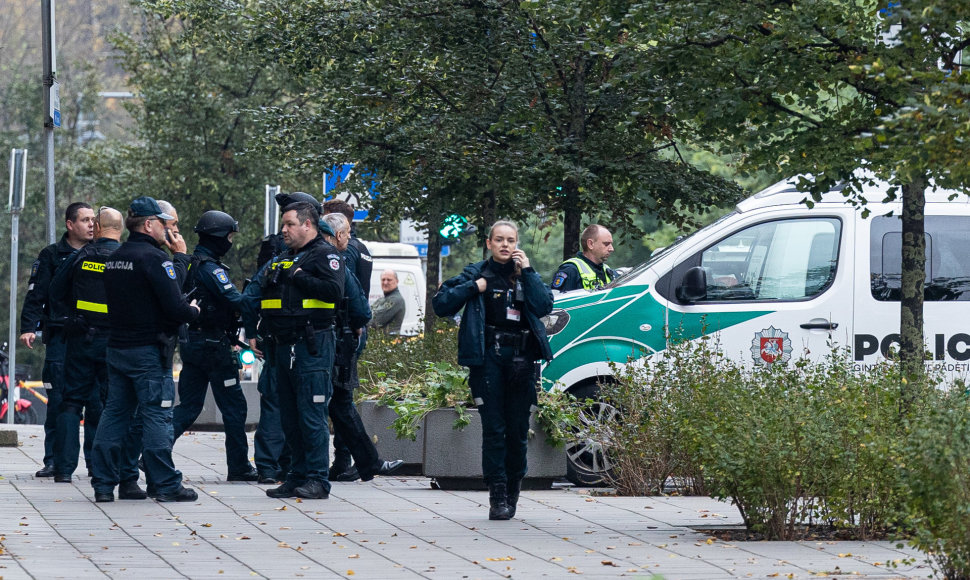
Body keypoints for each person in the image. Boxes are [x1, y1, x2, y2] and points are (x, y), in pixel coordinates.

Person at [431, 220, 554, 520]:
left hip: (522, 361)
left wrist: (528, 270)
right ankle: (497, 494)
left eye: (510, 240)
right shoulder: (477, 273)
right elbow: (441, 304)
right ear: (488, 243)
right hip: (488, 361)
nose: (505, 245)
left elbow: (544, 306)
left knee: (517, 431)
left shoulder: (523, 275)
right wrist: (475, 288)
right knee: (494, 430)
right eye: (499, 240)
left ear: (517, 244)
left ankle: (513, 489)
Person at [89, 197, 201, 503]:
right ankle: (165, 484)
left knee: (114, 415)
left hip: (118, 349)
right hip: (149, 353)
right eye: (164, 224)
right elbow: (176, 306)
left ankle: (102, 484)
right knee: (158, 417)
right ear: (149, 224)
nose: (167, 231)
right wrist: (194, 310)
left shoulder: (116, 257)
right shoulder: (155, 259)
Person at [244, 201, 344, 500]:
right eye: (283, 225)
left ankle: (317, 479)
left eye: (289, 224)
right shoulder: (284, 257)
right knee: (289, 416)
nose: (283, 230)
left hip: (311, 347)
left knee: (311, 415)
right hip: (280, 346)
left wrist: (301, 277)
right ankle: (296, 475)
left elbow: (335, 293)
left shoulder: (325, 255)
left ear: (307, 225)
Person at [171, 211, 259, 481]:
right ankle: (240, 467)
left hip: (192, 344)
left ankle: (151, 452)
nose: (231, 241)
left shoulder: (189, 264)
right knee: (234, 407)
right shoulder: (211, 269)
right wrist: (258, 288)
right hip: (213, 347)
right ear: (219, 237)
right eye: (230, 236)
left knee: (188, 406)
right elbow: (237, 301)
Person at [321, 213, 403, 483]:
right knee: (340, 404)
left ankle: (353, 464)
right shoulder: (337, 260)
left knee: (334, 405)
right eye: (346, 234)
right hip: (335, 343)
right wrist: (357, 327)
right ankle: (363, 463)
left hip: (318, 343)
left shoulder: (305, 256)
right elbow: (360, 308)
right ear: (340, 235)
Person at [20, 202, 95, 477]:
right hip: (61, 337)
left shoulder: (99, 252)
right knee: (59, 398)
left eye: (93, 220)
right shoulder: (52, 255)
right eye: (85, 220)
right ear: (70, 224)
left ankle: (94, 462)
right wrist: (28, 326)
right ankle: (53, 459)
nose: (90, 224)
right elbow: (36, 294)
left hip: (91, 337)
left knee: (96, 401)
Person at [49, 207, 123, 483]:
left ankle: (64, 470)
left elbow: (55, 290)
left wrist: (72, 316)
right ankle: (101, 468)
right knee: (109, 405)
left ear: (99, 229)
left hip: (81, 339)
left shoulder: (81, 257)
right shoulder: (126, 259)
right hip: (115, 343)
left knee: (71, 403)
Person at [250, 191, 320, 484]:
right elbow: (257, 289)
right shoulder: (295, 249)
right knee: (284, 402)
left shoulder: (314, 251)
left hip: (287, 334)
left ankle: (285, 467)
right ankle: (284, 466)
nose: (285, 231)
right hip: (288, 336)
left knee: (284, 402)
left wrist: (251, 328)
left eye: (289, 223)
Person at [550, 224, 616, 292]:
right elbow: (559, 300)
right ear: (590, 244)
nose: (612, 249)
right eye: (606, 244)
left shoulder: (608, 271)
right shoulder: (570, 270)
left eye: (611, 244)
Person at [368, 270, 407, 335]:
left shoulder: (396, 300)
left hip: (388, 343)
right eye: (383, 280)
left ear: (397, 281)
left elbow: (375, 321)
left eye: (389, 280)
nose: (385, 282)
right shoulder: (381, 300)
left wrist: (361, 322)